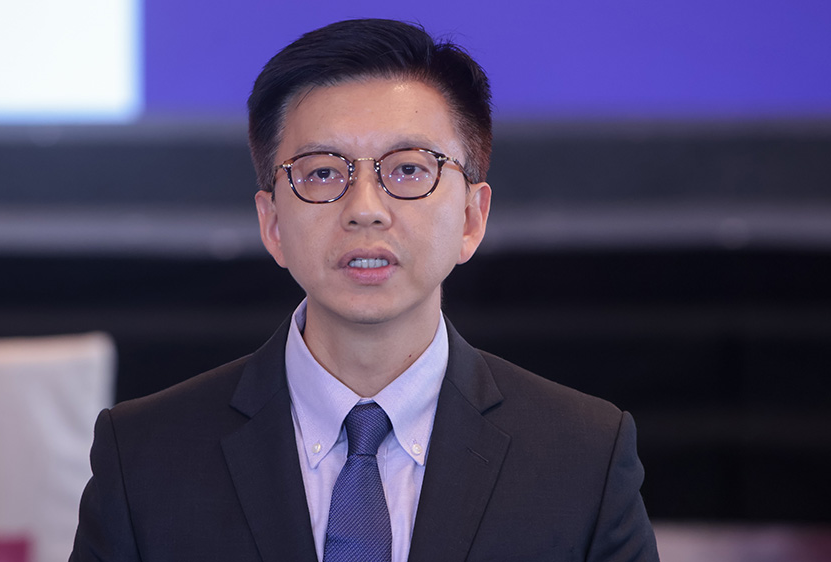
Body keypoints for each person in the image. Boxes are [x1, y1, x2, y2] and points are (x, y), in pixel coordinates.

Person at [70, 18, 659, 562]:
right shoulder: (143, 457)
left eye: (408, 169)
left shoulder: (584, 456)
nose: (365, 209)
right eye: (324, 172)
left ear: (471, 218)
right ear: (272, 224)